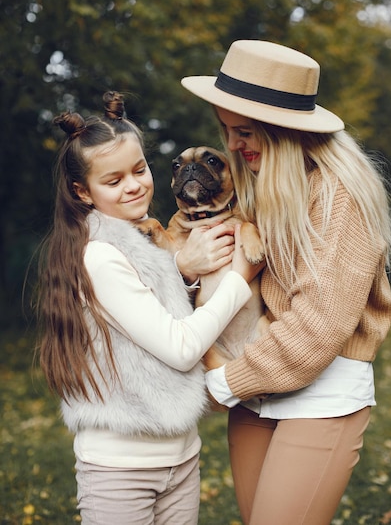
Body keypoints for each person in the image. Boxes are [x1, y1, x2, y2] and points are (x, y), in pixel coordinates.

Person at [180, 39, 391, 525]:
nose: (233, 146)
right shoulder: (260, 189)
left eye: (244, 132)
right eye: (227, 131)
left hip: (318, 393)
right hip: (254, 394)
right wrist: (188, 269)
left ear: (282, 128)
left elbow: (316, 329)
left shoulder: (339, 195)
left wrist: (223, 383)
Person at [35, 90, 263, 525]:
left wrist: (183, 268)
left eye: (139, 170)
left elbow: (157, 307)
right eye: (114, 180)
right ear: (83, 191)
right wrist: (239, 280)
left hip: (181, 455)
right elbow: (180, 347)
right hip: (120, 467)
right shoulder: (99, 255)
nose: (135, 185)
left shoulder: (144, 243)